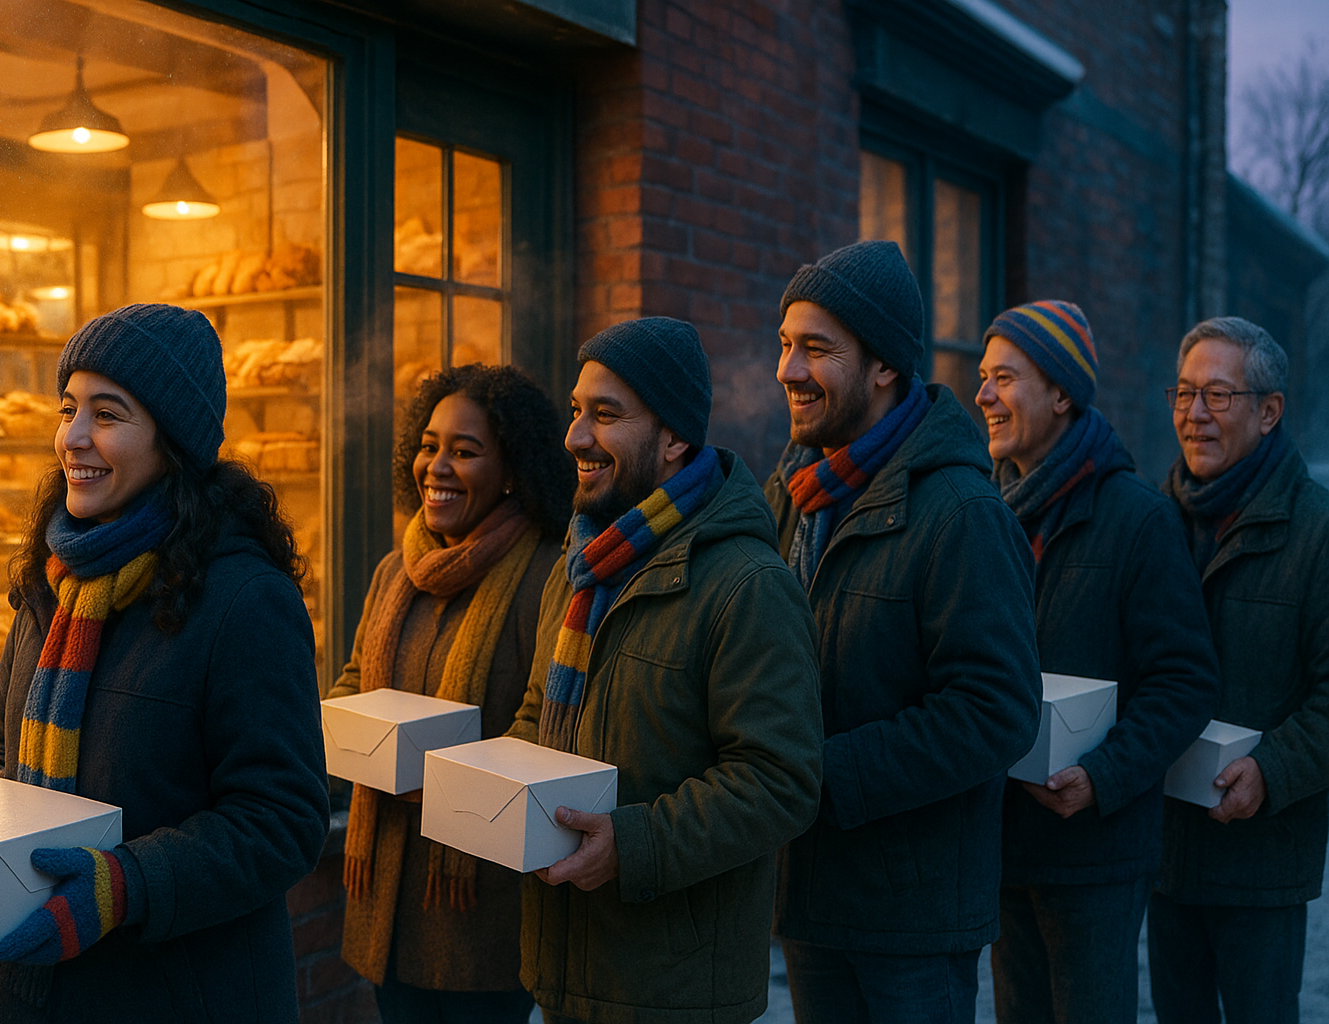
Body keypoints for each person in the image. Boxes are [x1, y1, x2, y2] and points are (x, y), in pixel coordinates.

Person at [0, 303, 330, 1021]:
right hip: (27, 987)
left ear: (173, 441)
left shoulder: (245, 599)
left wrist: (121, 885)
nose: (74, 437)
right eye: (68, 409)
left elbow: (282, 820)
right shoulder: (51, 584)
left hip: (175, 992)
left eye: (108, 414)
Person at [506, 316, 824, 1024]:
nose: (576, 436)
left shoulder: (746, 584)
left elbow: (782, 781)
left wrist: (633, 845)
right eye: (577, 410)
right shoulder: (581, 565)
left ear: (676, 437)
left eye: (606, 415)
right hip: (563, 969)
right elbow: (538, 713)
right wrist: (499, 798)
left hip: (677, 993)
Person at [765, 241, 1042, 1024]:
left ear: (884, 366)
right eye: (785, 345)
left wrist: (822, 776)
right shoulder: (795, 492)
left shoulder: (961, 511)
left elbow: (996, 712)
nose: (788, 369)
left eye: (816, 349)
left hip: (912, 922)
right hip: (813, 892)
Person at [974, 300, 1219, 1024]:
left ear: (1061, 393)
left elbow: (1185, 680)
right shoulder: (983, 510)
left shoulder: (1138, 519)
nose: (983, 394)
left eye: (1004, 377)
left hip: (1097, 853)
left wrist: (1102, 775)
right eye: (983, 377)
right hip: (1005, 840)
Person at [328, 363, 573, 1023]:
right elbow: (354, 684)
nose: (436, 465)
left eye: (464, 452)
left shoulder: (547, 575)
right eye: (430, 445)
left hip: (478, 912)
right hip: (385, 905)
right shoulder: (394, 570)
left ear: (513, 471)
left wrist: (424, 775)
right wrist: (348, 739)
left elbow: (539, 728)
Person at [1148, 316, 1329, 1024]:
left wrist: (1272, 771)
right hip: (1164, 853)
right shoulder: (1152, 518)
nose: (1194, 415)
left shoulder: (1315, 532)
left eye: (1217, 396)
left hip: (1262, 861)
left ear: (1269, 411)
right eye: (1184, 393)